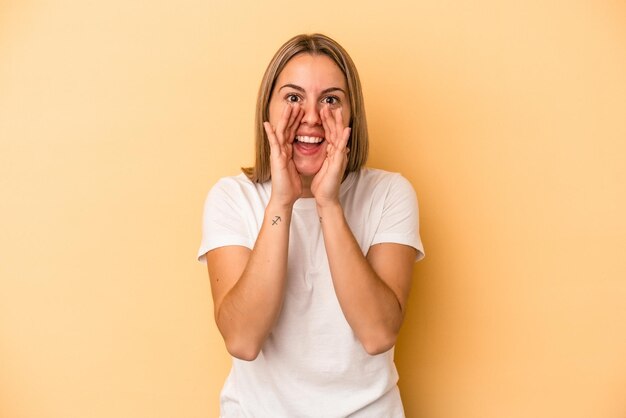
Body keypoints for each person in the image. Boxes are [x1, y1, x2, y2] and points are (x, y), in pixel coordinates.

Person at [198, 33, 424, 417]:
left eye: (331, 99)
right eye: (293, 97)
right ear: (267, 110)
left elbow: (377, 333)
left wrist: (328, 203)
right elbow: (242, 339)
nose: (313, 116)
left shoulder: (390, 193)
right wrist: (283, 200)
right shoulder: (232, 198)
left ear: (352, 115)